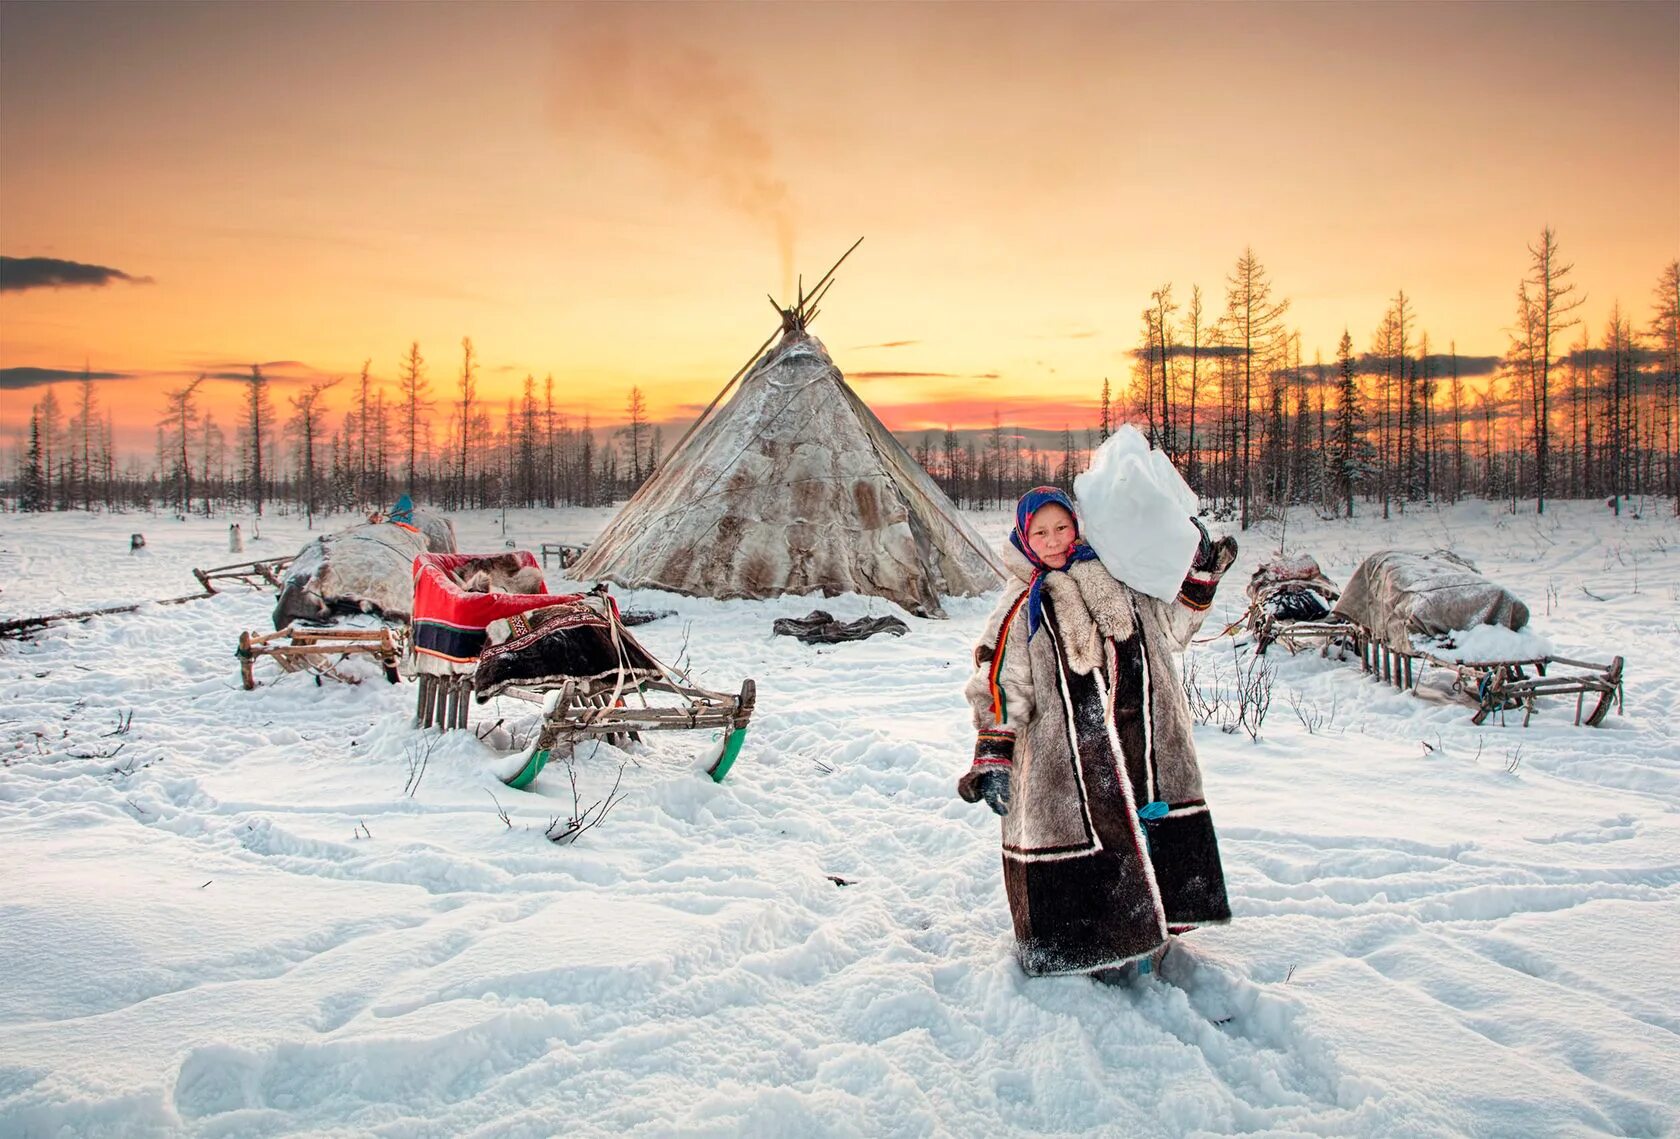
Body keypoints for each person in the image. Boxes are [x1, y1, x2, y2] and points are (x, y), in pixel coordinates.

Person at [959, 486, 1239, 982]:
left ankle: (1150, 941)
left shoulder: (1119, 580)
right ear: (1024, 537)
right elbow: (999, 682)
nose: (1053, 541)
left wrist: (1198, 576)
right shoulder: (1021, 606)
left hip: (1137, 743)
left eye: (1062, 528)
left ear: (1078, 526)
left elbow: (1173, 630)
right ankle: (1091, 957)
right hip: (1062, 758)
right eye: (1040, 532)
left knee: (1142, 830)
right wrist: (993, 754)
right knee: (1087, 844)